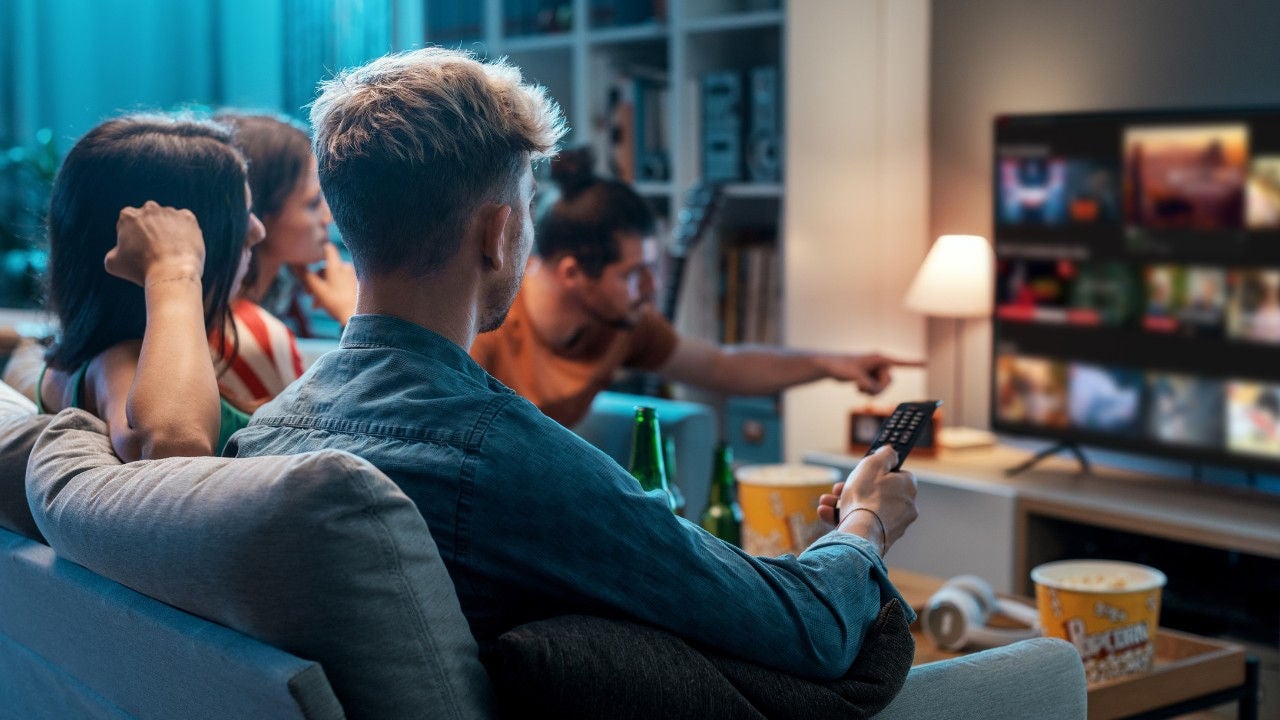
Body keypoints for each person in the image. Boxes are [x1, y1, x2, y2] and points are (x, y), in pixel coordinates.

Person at [228, 47, 920, 680]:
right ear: (499, 233)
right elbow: (809, 630)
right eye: (528, 208)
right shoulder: (500, 455)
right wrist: (867, 521)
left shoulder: (258, 440)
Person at [469, 151, 920, 427]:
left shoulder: (623, 321)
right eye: (634, 274)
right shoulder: (486, 328)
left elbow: (721, 367)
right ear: (572, 272)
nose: (652, 288)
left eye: (654, 268)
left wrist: (829, 364)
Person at [37, 114, 266, 461]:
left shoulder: (69, 365)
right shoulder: (118, 362)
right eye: (240, 218)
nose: (258, 231)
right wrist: (174, 270)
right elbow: (175, 444)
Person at [212, 111, 354, 409]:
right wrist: (353, 316)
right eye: (312, 204)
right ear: (259, 216)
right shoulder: (251, 334)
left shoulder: (222, 313)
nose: (328, 217)